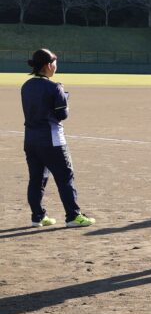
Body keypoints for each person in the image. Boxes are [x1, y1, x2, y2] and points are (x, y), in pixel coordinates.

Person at [21, 49, 95, 228]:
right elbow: (62, 115)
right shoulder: (54, 87)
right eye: (54, 63)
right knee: (65, 177)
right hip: (52, 140)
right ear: (48, 65)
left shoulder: (26, 86)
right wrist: (63, 96)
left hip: (30, 139)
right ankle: (73, 216)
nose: (56, 66)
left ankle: (37, 217)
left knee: (36, 178)